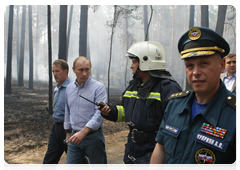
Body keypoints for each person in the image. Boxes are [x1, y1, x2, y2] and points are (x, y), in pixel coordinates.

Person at [149, 27, 238, 170]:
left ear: (222, 66)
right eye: (190, 66)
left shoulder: (235, 115)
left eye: (204, 63)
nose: (195, 72)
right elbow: (161, 148)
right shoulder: (174, 105)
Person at [99, 41, 182, 170]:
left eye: (134, 62)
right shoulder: (133, 86)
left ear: (146, 62)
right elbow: (127, 112)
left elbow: (177, 127)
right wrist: (110, 111)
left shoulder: (168, 88)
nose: (131, 66)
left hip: (154, 155)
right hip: (131, 153)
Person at [42, 59, 90, 170]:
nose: (54, 74)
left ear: (66, 72)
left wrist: (73, 131)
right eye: (53, 71)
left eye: (57, 71)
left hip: (69, 130)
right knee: (49, 159)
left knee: (79, 160)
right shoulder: (57, 88)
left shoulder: (73, 88)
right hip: (56, 129)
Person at [64, 56, 108, 170]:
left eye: (87, 69)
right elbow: (68, 111)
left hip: (93, 137)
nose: (84, 73)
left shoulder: (98, 88)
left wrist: (83, 133)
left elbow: (99, 115)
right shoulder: (69, 88)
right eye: (81, 70)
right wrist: (68, 133)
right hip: (74, 137)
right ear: (73, 70)